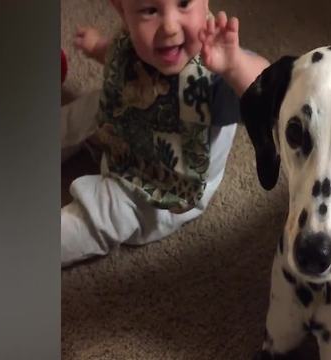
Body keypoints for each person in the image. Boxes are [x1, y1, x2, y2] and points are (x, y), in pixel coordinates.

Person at [60, 0, 269, 267]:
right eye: (149, 10)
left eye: (183, 3)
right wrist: (98, 47)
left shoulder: (215, 72)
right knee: (92, 105)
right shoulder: (134, 38)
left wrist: (236, 65)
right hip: (126, 132)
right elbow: (119, 56)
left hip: (159, 191)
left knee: (105, 214)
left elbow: (267, 93)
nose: (169, 27)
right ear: (121, 9)